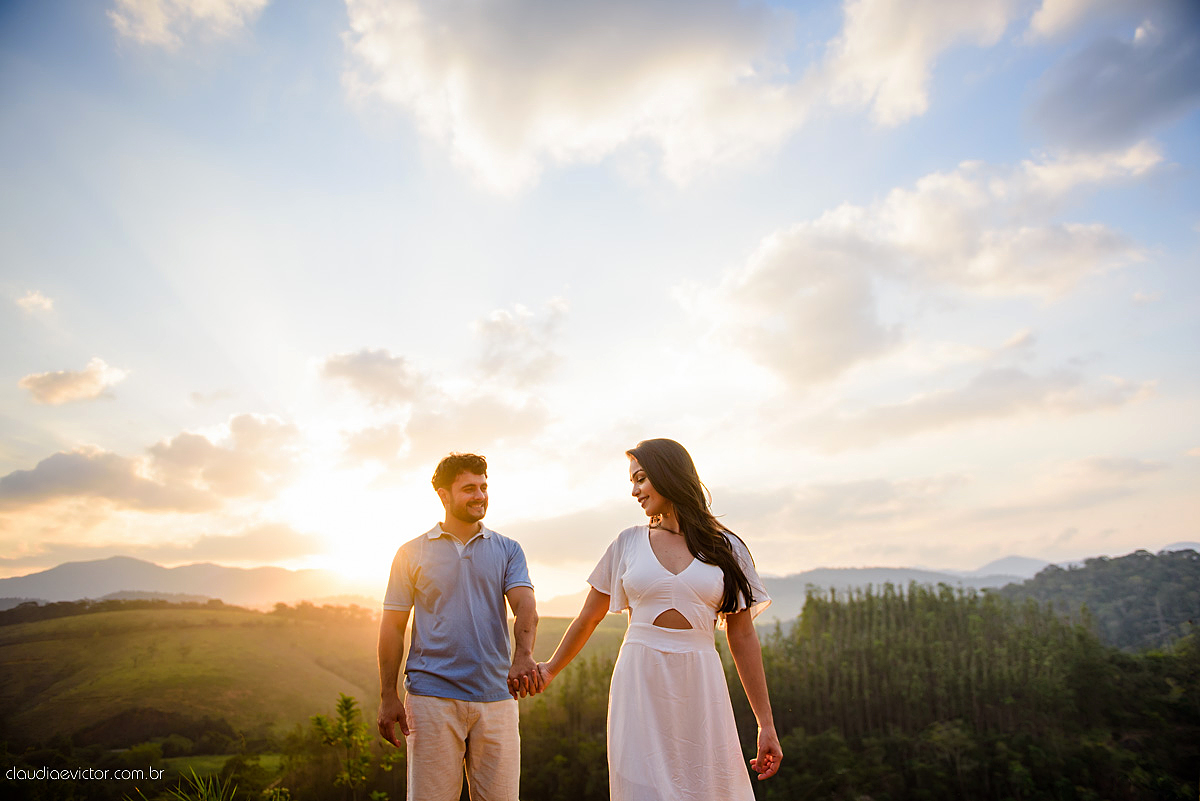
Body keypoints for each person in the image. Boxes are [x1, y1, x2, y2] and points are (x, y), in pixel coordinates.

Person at [537, 438, 782, 800]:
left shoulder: (728, 548)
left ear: (668, 475)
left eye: (641, 479)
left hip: (701, 685)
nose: (634, 491)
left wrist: (766, 724)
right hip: (639, 679)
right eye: (632, 482)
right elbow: (588, 617)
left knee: (709, 787)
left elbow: (742, 637)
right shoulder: (627, 543)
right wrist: (551, 669)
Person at [376, 452, 541, 801]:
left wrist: (524, 655)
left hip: (497, 698)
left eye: (483, 487)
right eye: (469, 488)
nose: (480, 495)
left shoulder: (508, 550)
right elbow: (392, 627)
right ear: (443, 495)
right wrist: (387, 695)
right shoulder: (411, 553)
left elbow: (525, 604)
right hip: (431, 698)